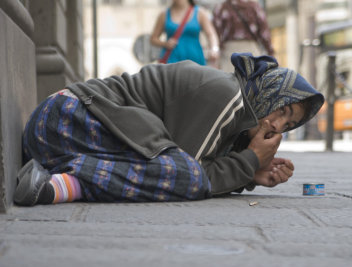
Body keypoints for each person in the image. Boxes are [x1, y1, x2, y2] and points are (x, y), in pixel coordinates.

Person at [14, 53, 324, 206]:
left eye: (289, 124)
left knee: (179, 174)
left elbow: (183, 175)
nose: (277, 125)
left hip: (56, 136)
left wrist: (249, 173)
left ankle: (52, 185)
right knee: (185, 176)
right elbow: (193, 177)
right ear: (268, 90)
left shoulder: (236, 112)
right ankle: (72, 184)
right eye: (281, 110)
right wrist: (250, 162)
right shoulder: (228, 96)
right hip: (66, 117)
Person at [150, 0, 219, 66]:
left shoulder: (199, 12)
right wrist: (165, 43)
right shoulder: (164, 14)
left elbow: (211, 34)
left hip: (195, 60)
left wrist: (214, 48)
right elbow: (153, 39)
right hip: (172, 60)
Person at [212, 0, 275, 72]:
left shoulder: (221, 8)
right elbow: (265, 34)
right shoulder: (254, 6)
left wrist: (217, 51)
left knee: (230, 80)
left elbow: (215, 34)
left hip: (229, 53)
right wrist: (271, 52)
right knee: (253, 80)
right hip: (251, 50)